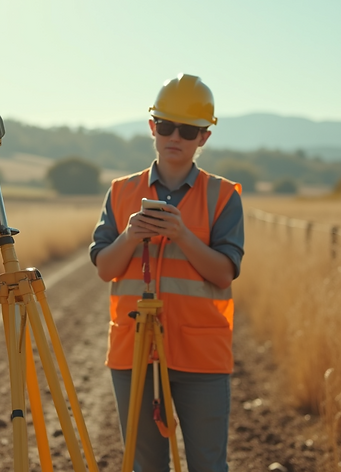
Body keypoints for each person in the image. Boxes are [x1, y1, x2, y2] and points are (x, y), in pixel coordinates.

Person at [89, 73, 244, 472]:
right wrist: (129, 235)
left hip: (201, 355)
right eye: (166, 126)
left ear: (203, 138)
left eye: (188, 130)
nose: (175, 137)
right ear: (152, 127)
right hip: (134, 350)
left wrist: (182, 235)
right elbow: (105, 269)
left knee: (209, 465)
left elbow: (224, 273)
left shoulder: (223, 196)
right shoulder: (122, 192)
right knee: (146, 467)